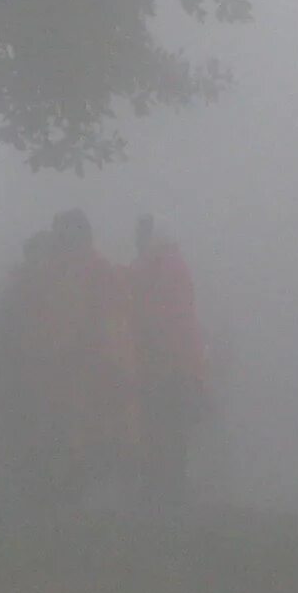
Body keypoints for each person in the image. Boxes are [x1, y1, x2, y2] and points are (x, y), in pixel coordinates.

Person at [130, 216, 210, 511]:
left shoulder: (158, 265)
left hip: (165, 365)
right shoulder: (171, 263)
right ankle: (169, 495)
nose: (135, 242)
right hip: (180, 363)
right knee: (171, 433)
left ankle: (161, 496)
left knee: (160, 431)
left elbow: (153, 315)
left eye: (139, 235)